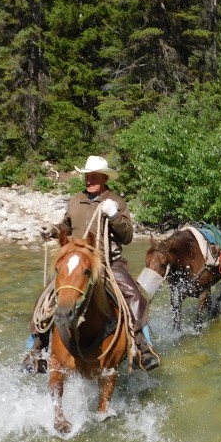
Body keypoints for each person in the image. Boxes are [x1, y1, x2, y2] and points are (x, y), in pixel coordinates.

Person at [43, 155, 160, 371]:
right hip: (79, 262)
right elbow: (66, 226)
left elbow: (127, 236)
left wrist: (114, 214)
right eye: (88, 176)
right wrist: (53, 230)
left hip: (108, 262)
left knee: (135, 298)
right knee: (47, 296)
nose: (90, 180)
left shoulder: (116, 201)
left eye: (95, 176)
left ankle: (142, 348)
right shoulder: (76, 199)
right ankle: (36, 347)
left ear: (105, 178)